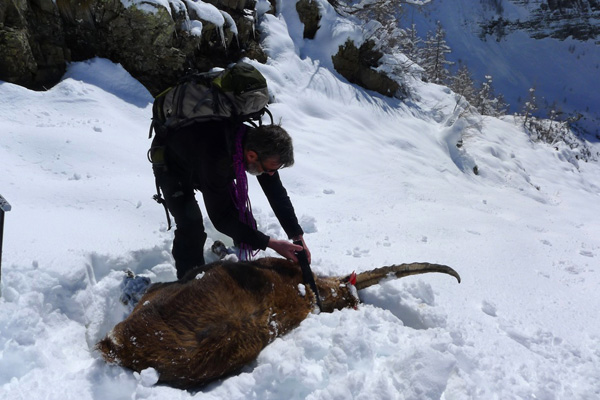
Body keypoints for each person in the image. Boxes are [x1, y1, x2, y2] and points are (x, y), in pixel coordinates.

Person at [149, 119, 310, 279]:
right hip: (173, 167)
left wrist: (297, 236)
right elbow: (221, 218)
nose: (271, 174)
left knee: (242, 219)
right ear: (251, 156)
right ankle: (189, 283)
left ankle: (239, 263)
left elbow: (277, 194)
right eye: (269, 169)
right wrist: (271, 243)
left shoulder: (255, 145)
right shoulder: (217, 155)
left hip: (205, 164)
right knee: (191, 227)